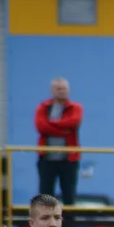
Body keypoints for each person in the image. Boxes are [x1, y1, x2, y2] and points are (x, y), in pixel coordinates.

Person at [34, 77, 83, 217]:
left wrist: (51, 124)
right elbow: (40, 126)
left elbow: (73, 123)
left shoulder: (76, 107)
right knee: (45, 194)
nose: (62, 91)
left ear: (69, 90)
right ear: (52, 91)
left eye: (64, 89)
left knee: (69, 192)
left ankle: (69, 226)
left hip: (69, 159)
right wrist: (62, 130)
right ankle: (43, 223)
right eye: (58, 88)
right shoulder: (43, 107)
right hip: (46, 158)